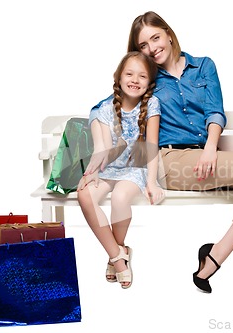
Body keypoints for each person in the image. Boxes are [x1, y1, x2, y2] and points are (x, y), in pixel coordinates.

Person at [90, 11, 233, 298]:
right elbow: (110, 101)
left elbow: (215, 110)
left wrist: (210, 148)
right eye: (143, 45)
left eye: (155, 38)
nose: (152, 48)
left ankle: (214, 256)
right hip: (172, 161)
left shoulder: (203, 66)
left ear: (168, 33)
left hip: (208, 157)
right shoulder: (148, 77)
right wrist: (99, 140)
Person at [77, 51, 165, 289]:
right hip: (109, 169)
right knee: (84, 194)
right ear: (118, 77)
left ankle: (115, 256)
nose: (135, 80)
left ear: (149, 83)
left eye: (142, 76)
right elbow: (105, 148)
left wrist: (152, 182)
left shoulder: (152, 104)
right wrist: (93, 170)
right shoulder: (105, 108)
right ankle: (119, 253)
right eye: (129, 74)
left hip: (135, 169)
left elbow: (152, 145)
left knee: (119, 197)